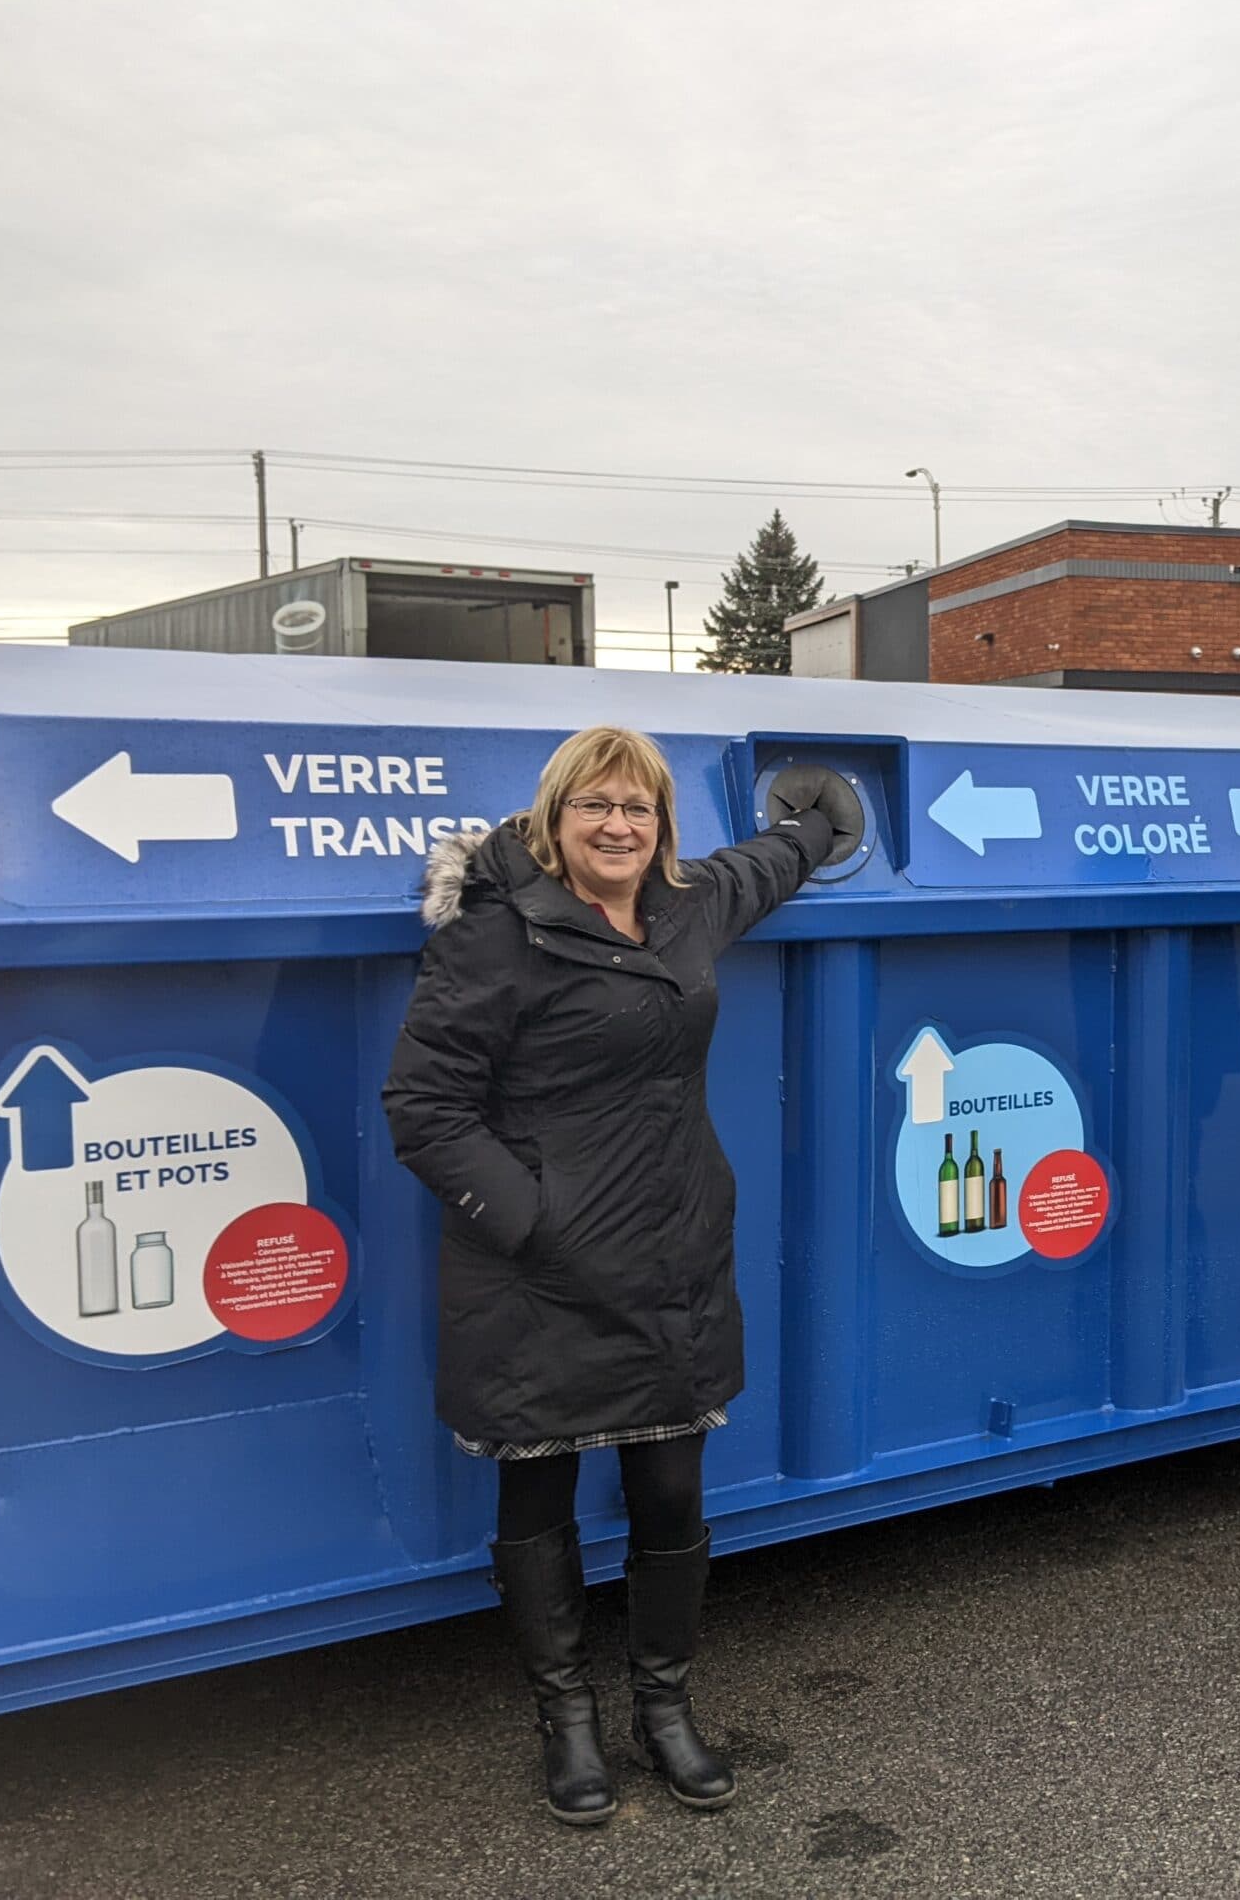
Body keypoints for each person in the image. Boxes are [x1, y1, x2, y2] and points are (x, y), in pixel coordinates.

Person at [384, 725, 839, 1823]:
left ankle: (664, 1708)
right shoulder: (493, 937)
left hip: (673, 1251)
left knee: (670, 1488)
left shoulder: (683, 907)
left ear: (662, 825)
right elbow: (424, 1108)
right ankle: (568, 1722)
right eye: (595, 807)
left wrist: (817, 826)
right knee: (537, 1487)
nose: (618, 827)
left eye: (638, 809)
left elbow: (757, 869)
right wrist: (534, 1222)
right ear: (555, 818)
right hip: (536, 1270)